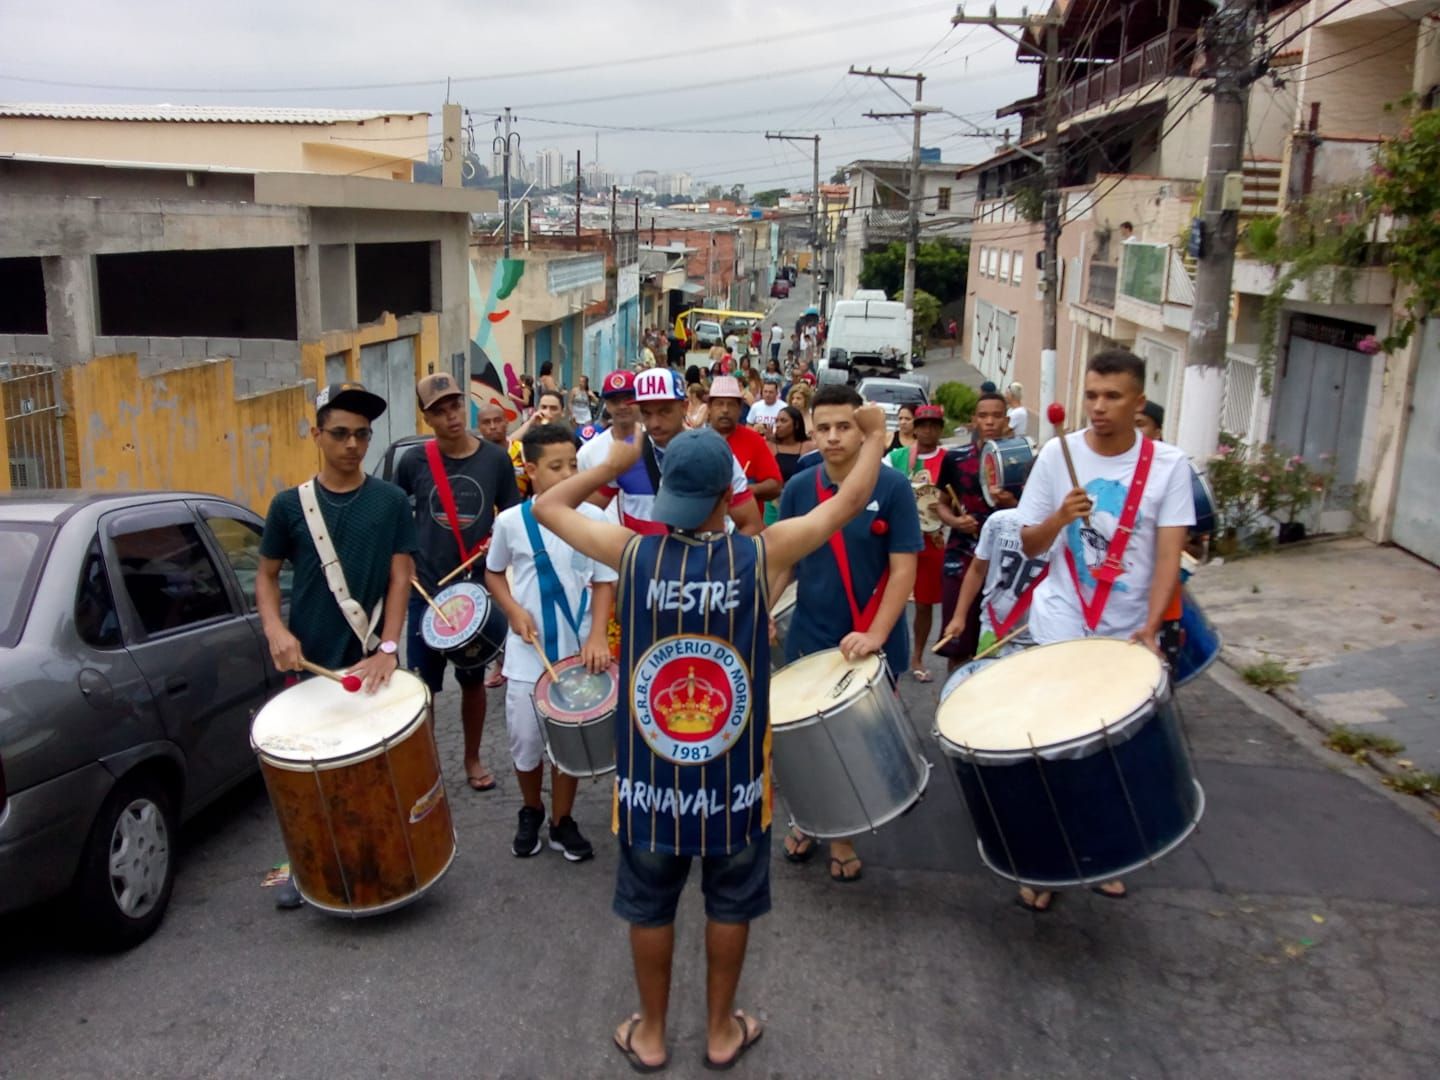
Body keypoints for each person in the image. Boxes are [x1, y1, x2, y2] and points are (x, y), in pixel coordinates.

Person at [532, 405, 890, 1073]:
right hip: (733, 785)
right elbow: (852, 499)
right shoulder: (761, 552)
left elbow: (549, 506)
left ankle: (653, 1035)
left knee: (650, 904)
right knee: (730, 902)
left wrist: (611, 464)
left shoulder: (630, 550)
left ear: (667, 490)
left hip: (650, 784)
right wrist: (874, 438)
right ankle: (722, 1031)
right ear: (730, 495)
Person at [1014, 347, 1194, 912]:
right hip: (1061, 619)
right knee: (1051, 745)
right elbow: (1028, 544)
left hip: (1125, 630)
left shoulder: (1168, 466)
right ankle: (1046, 859)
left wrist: (1149, 626)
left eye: (1112, 396)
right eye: (1091, 394)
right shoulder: (1056, 457)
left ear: (1138, 401)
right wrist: (1058, 519)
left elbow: (1169, 555)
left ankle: (1102, 852)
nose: (1098, 407)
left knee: (1110, 750)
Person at [256, 382, 419, 909]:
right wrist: (275, 631)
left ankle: (381, 858)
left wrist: (390, 647)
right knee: (308, 769)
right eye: (341, 434)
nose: (353, 445)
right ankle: (303, 864)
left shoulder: (391, 501)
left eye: (363, 435)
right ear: (317, 435)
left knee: (377, 766)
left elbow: (401, 577)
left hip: (374, 654)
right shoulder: (287, 506)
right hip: (311, 661)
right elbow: (265, 575)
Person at [773, 383, 922, 883]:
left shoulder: (894, 487)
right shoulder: (799, 487)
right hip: (810, 636)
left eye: (845, 427)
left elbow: (904, 571)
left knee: (857, 742)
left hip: (871, 637)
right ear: (810, 432)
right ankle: (813, 821)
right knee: (805, 742)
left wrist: (877, 634)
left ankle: (840, 832)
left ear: (863, 432)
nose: (834, 437)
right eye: (824, 428)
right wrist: (760, 615)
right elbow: (783, 562)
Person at [483, 423, 617, 862]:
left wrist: (598, 634)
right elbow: (494, 572)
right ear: (530, 470)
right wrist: (512, 610)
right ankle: (531, 808)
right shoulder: (510, 522)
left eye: (573, 465)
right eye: (555, 467)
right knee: (525, 742)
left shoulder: (597, 520)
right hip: (526, 654)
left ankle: (562, 819)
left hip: (578, 651)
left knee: (568, 742)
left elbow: (603, 581)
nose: (567, 474)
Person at [395, 373, 522, 793]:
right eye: (439, 411)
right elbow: (397, 520)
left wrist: (497, 556)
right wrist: (406, 564)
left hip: (474, 591)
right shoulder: (413, 462)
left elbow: (511, 519)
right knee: (422, 689)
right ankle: (426, 764)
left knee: (472, 680)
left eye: (454, 407)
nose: (450, 416)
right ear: (426, 416)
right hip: (427, 593)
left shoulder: (495, 460)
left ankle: (471, 758)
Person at [584, 367, 764, 537]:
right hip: (643, 568)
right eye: (646, 413)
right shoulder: (628, 452)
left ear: (684, 407)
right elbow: (585, 514)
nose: (654, 423)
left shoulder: (714, 453)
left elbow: (752, 525)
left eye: (664, 411)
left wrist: (717, 563)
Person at [934, 392, 1015, 673]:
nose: (990, 421)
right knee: (957, 640)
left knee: (998, 645)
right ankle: (952, 700)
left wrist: (1012, 504)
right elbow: (941, 505)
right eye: (983, 416)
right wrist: (955, 523)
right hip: (962, 555)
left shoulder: (1021, 458)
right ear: (973, 420)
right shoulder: (955, 459)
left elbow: (1036, 511)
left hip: (1005, 563)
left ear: (1006, 420)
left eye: (996, 415)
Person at [886, 404, 948, 682]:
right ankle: (885, 650)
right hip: (897, 540)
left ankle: (917, 657)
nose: (927, 430)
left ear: (940, 429)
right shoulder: (897, 457)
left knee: (924, 605)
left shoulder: (950, 460)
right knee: (888, 599)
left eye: (933, 425)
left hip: (932, 541)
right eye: (922, 424)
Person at [941, 506, 1050, 660]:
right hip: (993, 627)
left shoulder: (1067, 531)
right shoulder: (999, 521)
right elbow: (977, 571)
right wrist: (959, 616)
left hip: (1042, 636)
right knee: (987, 680)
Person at [707, 375, 783, 510]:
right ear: (709, 408)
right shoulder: (696, 442)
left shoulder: (754, 441)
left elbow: (775, 485)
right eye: (719, 403)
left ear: (740, 409)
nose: (725, 410)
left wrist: (744, 491)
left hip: (746, 527)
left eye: (731, 404)